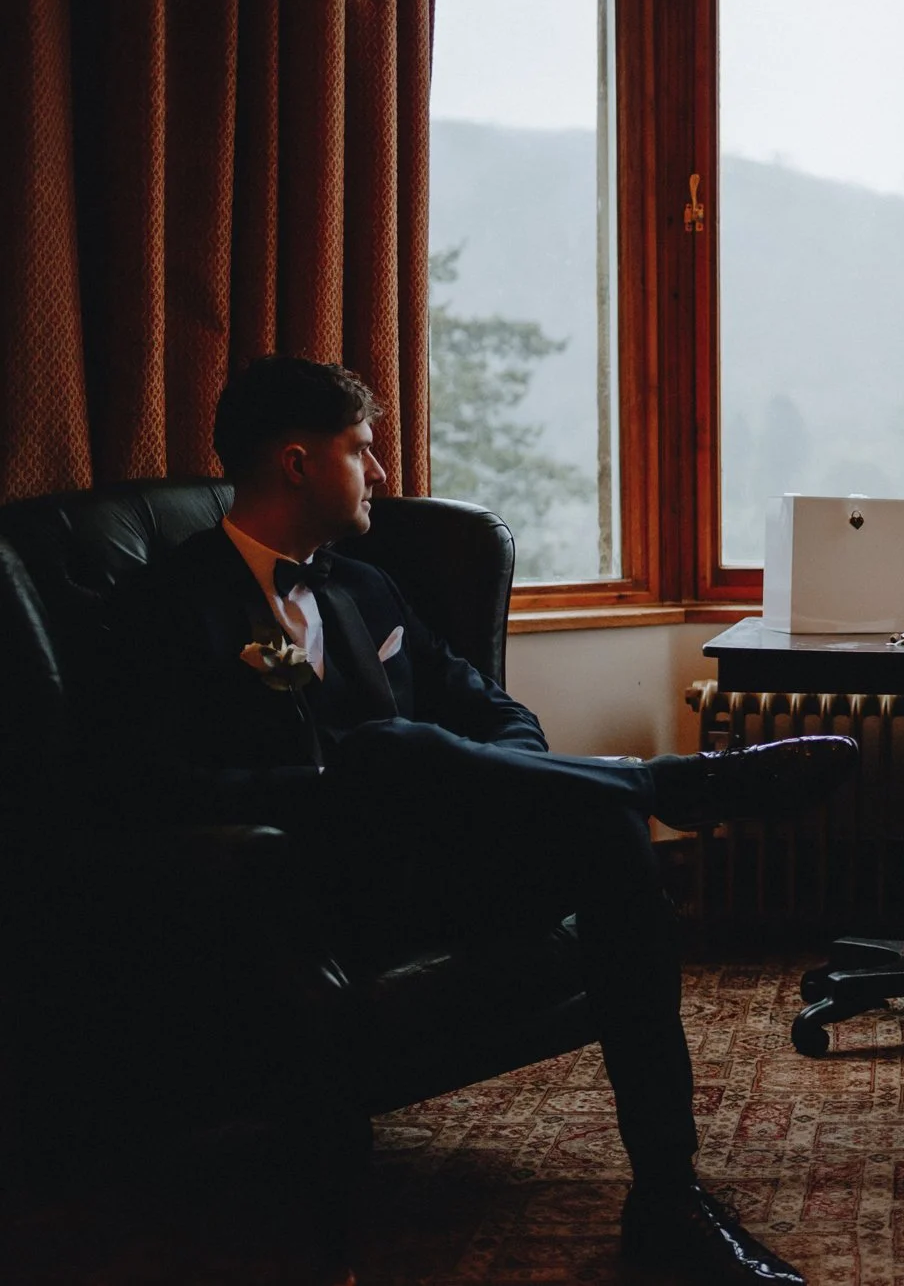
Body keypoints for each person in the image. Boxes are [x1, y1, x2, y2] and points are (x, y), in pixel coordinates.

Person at [106, 355, 853, 1285]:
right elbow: (161, 788)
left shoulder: (365, 590)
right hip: (298, 892)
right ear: (297, 462)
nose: (381, 474)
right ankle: (669, 785)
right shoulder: (169, 606)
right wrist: (339, 785)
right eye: (364, 450)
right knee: (384, 750)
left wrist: (519, 782)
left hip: (436, 871)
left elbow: (494, 711)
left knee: (601, 835)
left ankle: (668, 1197)